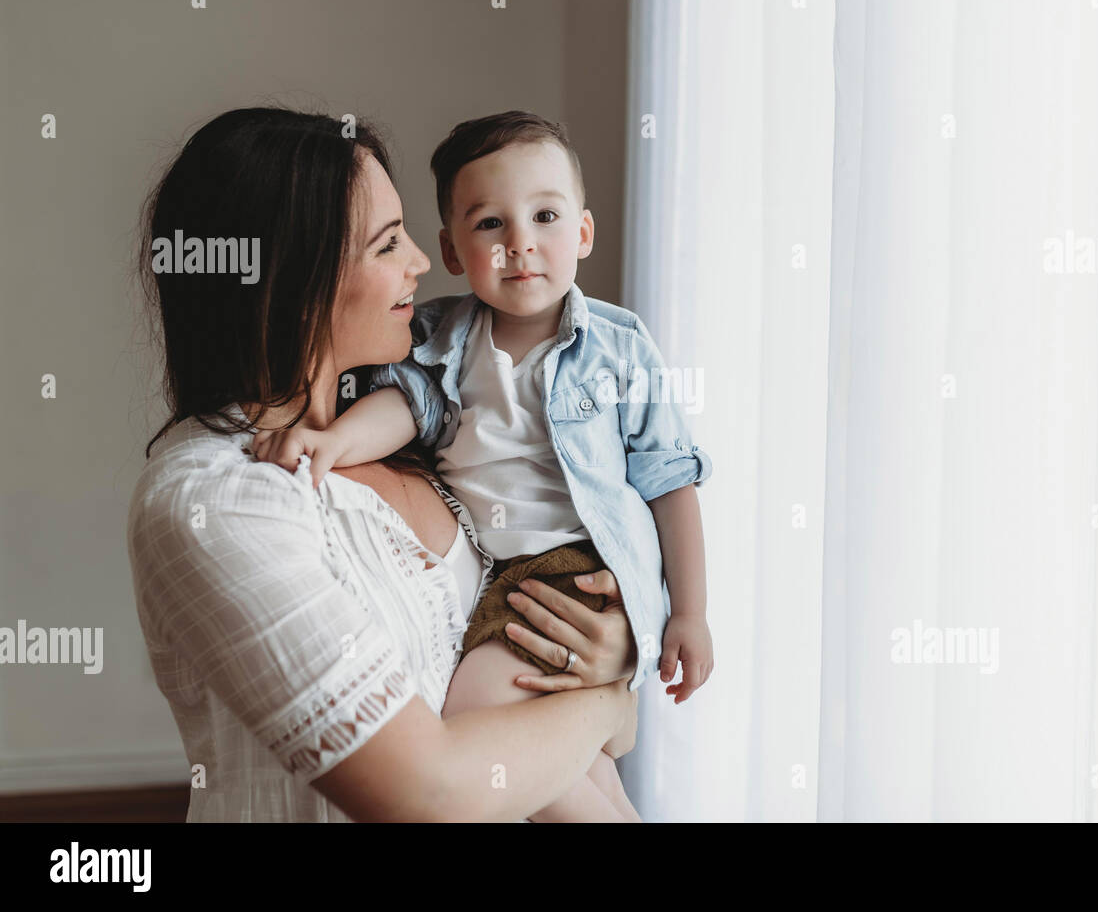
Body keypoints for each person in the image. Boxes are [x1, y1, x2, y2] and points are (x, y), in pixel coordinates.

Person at [126, 107, 638, 822]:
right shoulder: (215, 497)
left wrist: (610, 654)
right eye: (387, 243)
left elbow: (587, 724)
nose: (422, 265)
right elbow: (425, 794)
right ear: (292, 278)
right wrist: (605, 700)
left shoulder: (430, 439)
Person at [251, 112, 714, 821]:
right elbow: (407, 410)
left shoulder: (618, 348)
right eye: (491, 224)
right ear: (454, 249)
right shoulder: (442, 338)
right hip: (497, 574)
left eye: (546, 216)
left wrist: (689, 612)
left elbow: (670, 482)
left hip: (579, 567)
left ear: (582, 234)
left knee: (477, 713)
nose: (521, 244)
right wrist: (334, 443)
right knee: (584, 765)